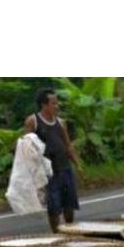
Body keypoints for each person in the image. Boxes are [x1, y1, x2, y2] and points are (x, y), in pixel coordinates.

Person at [24, 88, 82, 232]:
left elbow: (68, 145)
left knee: (69, 204)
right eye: (53, 103)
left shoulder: (61, 123)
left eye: (57, 103)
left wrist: (77, 165)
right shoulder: (33, 121)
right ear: (44, 105)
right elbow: (26, 146)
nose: (57, 106)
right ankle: (57, 234)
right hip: (47, 172)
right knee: (54, 206)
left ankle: (70, 230)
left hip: (65, 168)